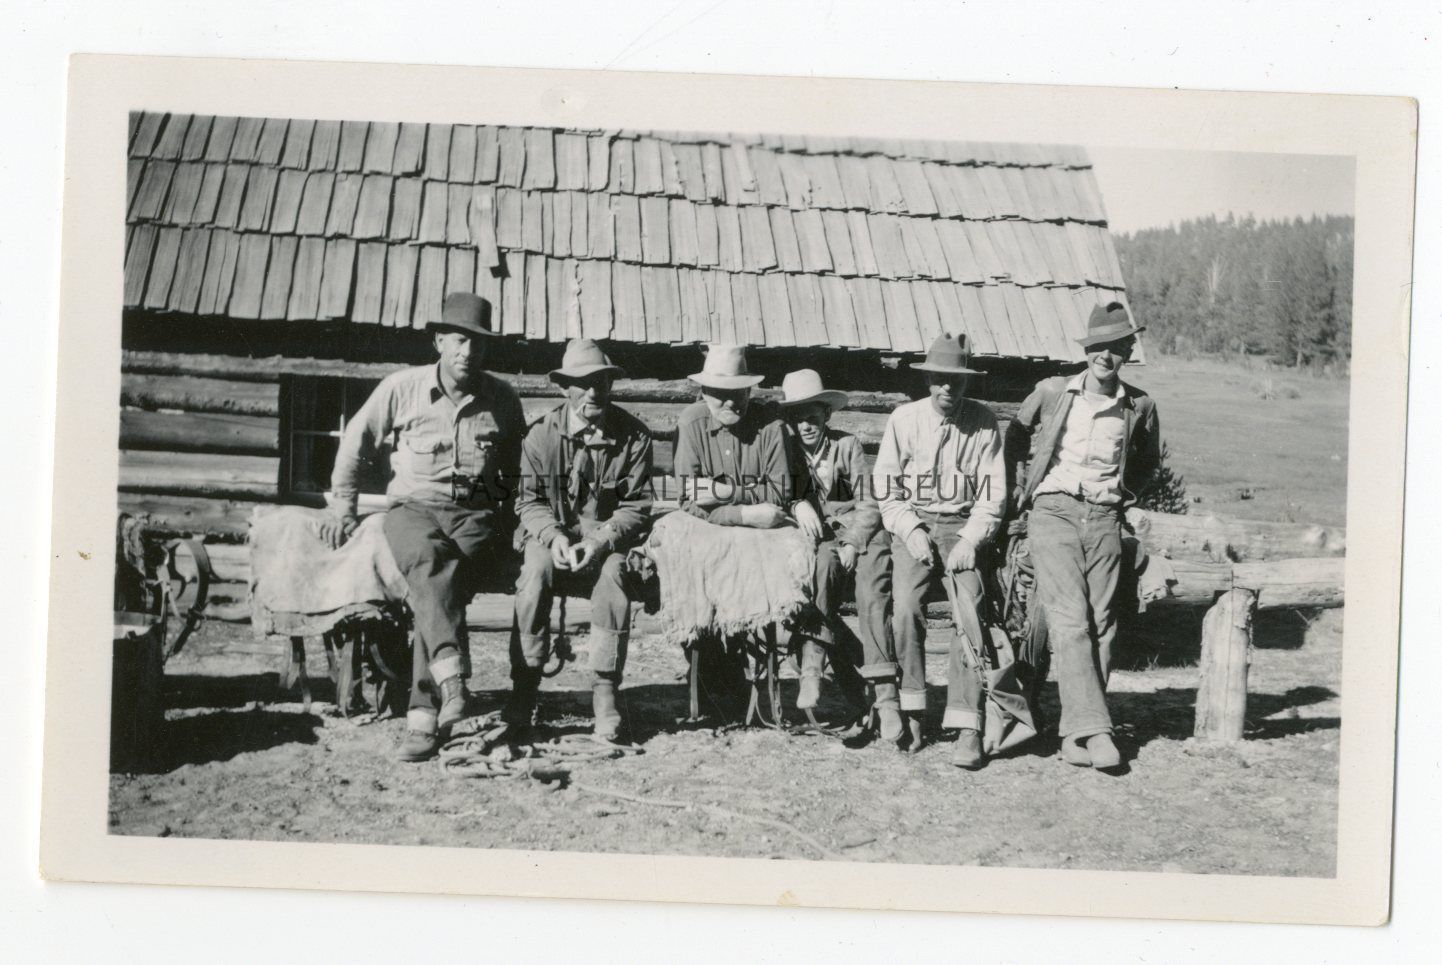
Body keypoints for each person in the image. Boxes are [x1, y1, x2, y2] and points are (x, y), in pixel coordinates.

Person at [321, 292, 526, 762]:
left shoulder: (503, 399)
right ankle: (447, 688)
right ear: (439, 342)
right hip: (412, 510)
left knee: (437, 586)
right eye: (458, 340)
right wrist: (343, 508)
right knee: (433, 566)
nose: (467, 352)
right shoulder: (402, 388)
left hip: (474, 517)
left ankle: (425, 716)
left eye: (477, 343)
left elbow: (515, 469)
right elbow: (355, 441)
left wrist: (503, 515)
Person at [1004, 301, 1161, 773]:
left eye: (1116, 348)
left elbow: (1147, 461)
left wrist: (1125, 497)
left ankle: (1076, 731)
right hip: (1054, 511)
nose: (1105, 356)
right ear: (1086, 350)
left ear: (1127, 352)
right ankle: (1094, 731)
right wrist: (1020, 490)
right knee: (1071, 621)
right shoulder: (1053, 391)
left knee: (1104, 624)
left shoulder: (1139, 405)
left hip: (1105, 516)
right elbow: (1015, 436)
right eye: (1098, 347)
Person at [508, 339, 654, 743]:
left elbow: (636, 505)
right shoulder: (541, 435)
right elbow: (529, 500)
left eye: (601, 382)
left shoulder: (633, 437)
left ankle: (606, 692)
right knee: (534, 573)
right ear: (564, 387)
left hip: (606, 543)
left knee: (615, 577)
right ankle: (525, 686)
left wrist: (601, 540)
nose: (593, 392)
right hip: (551, 537)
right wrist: (552, 536)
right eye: (583, 383)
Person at [872, 333, 1006, 767]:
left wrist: (970, 539)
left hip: (962, 526)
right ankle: (913, 709)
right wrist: (910, 529)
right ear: (927, 379)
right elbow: (887, 488)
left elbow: (993, 494)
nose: (948, 387)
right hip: (914, 524)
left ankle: (967, 723)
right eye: (940, 378)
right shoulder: (904, 419)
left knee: (970, 608)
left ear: (968, 381)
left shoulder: (983, 423)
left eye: (957, 379)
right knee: (906, 607)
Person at [672, 344, 826, 716]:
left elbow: (779, 492)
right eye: (720, 394)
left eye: (739, 393)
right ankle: (714, 669)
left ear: (750, 391)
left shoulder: (771, 427)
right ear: (704, 392)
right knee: (696, 567)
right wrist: (743, 512)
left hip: (763, 531)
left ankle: (763, 669)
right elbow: (689, 498)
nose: (730, 402)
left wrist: (725, 494)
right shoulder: (691, 424)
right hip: (715, 529)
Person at [779, 369, 902, 742]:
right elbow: (780, 492)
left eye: (812, 418)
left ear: (826, 415)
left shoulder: (846, 446)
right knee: (822, 570)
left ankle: (877, 696)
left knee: (869, 597)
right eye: (798, 419)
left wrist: (852, 542)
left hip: (861, 535)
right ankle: (832, 678)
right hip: (823, 541)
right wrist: (797, 503)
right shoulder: (788, 453)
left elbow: (869, 502)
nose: (805, 426)